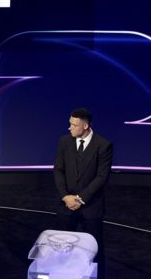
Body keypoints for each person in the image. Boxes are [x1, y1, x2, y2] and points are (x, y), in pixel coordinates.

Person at [53, 108, 113, 275]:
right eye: (70, 124)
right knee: (63, 248)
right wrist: (65, 196)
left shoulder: (103, 146)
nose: (69, 128)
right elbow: (58, 170)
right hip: (66, 205)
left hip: (91, 207)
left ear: (85, 126)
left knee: (94, 249)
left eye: (74, 125)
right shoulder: (64, 142)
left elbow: (102, 177)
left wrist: (80, 199)